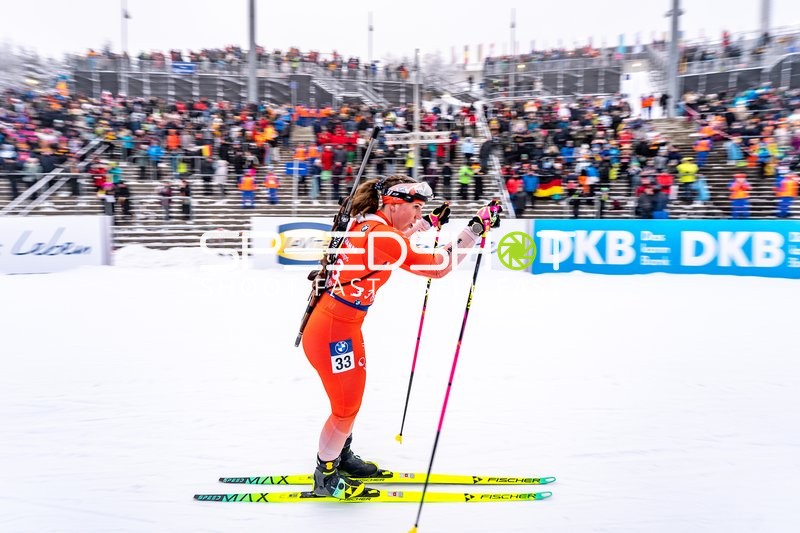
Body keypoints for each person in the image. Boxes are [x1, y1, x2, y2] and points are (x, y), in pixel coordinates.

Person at [302, 176, 501, 500]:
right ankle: (325, 475)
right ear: (393, 204)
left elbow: (397, 240)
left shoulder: (366, 223)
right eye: (416, 207)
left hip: (337, 325)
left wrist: (429, 223)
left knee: (349, 402)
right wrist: (474, 229)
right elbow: (437, 266)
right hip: (334, 332)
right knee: (345, 408)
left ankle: (341, 457)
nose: (417, 215)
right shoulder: (382, 234)